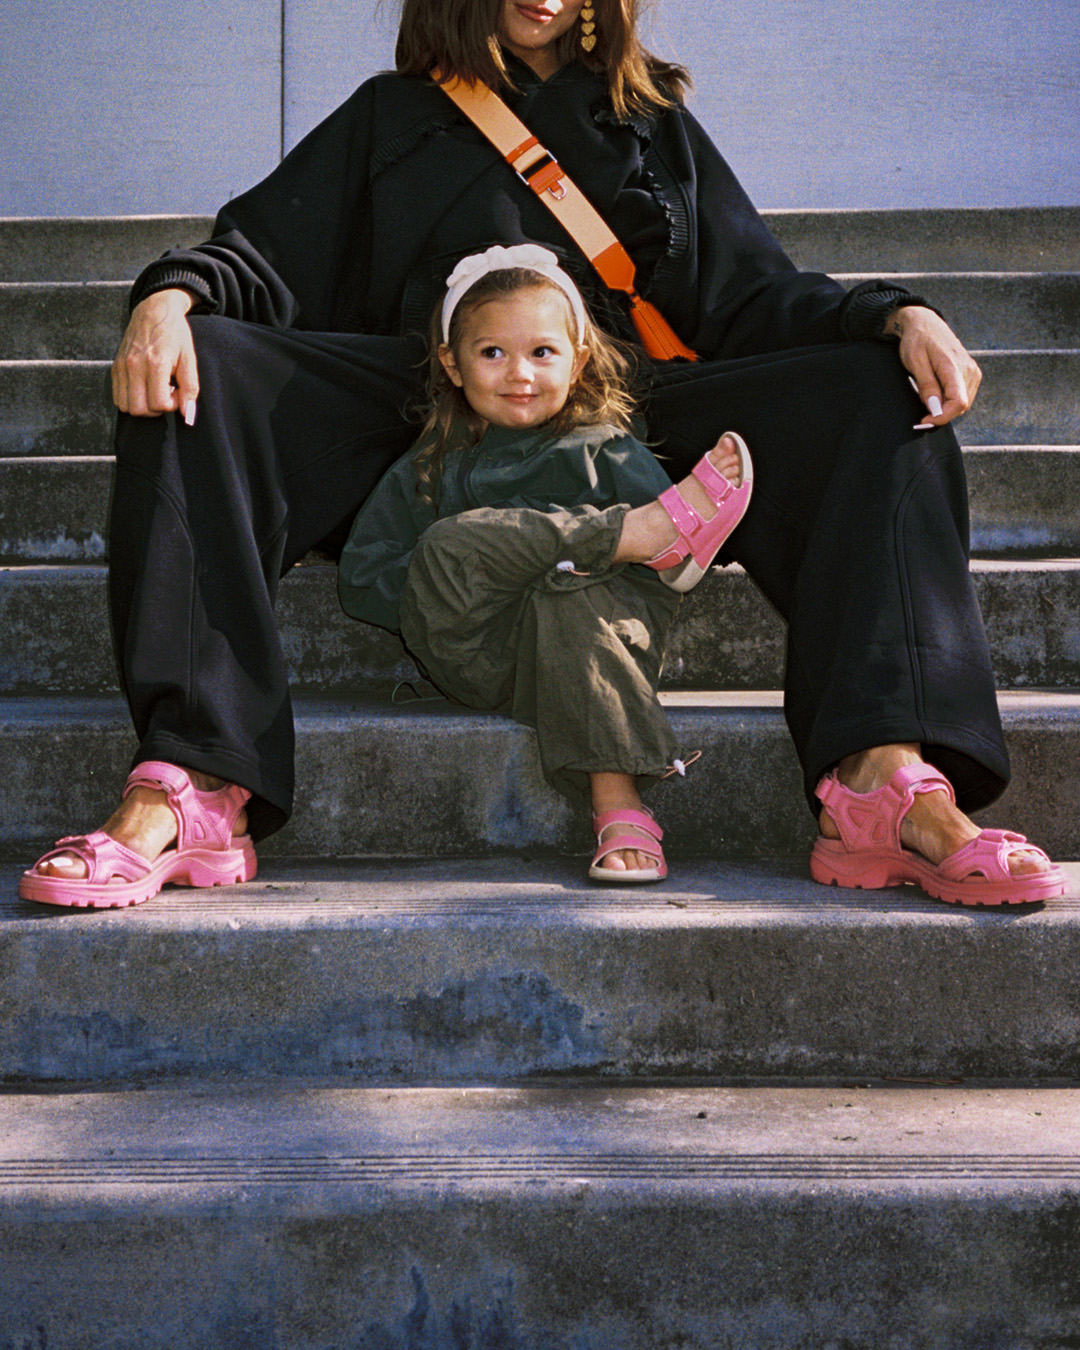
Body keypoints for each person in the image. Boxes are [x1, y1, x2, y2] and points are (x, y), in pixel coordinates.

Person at [20, 0, 1064, 909]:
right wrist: (168, 297)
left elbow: (752, 296)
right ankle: (191, 782)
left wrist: (896, 314)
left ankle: (886, 778)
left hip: (619, 417)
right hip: (421, 418)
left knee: (878, 390)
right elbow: (258, 256)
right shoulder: (394, 118)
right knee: (193, 367)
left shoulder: (646, 123)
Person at [338, 243, 751, 881]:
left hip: (593, 643)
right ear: (452, 363)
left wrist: (559, 570)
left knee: (574, 591)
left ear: (578, 357)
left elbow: (651, 593)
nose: (519, 373)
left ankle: (619, 803)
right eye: (492, 353)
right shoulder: (432, 466)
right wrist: (484, 571)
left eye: (542, 351)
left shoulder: (607, 452)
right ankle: (630, 534)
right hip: (488, 651)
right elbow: (362, 579)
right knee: (451, 544)